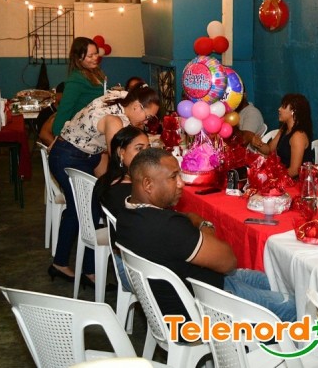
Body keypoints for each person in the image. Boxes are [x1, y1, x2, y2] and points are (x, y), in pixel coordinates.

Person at [115, 148, 296, 321]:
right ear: (148, 184)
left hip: (190, 289)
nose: (181, 183)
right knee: (297, 307)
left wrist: (187, 222)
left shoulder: (125, 215)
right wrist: (204, 225)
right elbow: (228, 261)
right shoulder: (169, 227)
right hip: (211, 304)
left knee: (278, 281)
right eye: (173, 177)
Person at [47, 86, 160, 284]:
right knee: (83, 210)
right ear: (136, 106)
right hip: (68, 155)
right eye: (148, 117)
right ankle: (71, 267)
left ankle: (82, 265)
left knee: (96, 203)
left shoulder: (123, 99)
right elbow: (118, 159)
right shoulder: (114, 120)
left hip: (89, 154)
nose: (146, 122)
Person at [95, 126, 151, 289]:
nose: (146, 155)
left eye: (148, 148)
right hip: (137, 271)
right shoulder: (124, 192)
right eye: (139, 149)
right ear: (121, 152)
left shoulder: (108, 179)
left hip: (131, 260)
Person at [250, 93, 314, 178]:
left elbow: (294, 171)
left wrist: (272, 177)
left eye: (283, 107)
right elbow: (269, 150)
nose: (279, 109)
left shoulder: (298, 136)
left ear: (293, 111)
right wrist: (257, 143)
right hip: (284, 177)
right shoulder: (284, 129)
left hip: (296, 182)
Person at [52, 37, 106, 137]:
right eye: (90, 56)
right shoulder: (76, 80)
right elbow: (65, 108)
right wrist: (58, 134)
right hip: (84, 130)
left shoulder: (96, 73)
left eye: (96, 53)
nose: (95, 58)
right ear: (79, 58)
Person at [37, 82, 65, 146]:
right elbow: (44, 138)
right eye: (66, 95)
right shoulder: (45, 114)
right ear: (57, 95)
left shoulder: (71, 112)